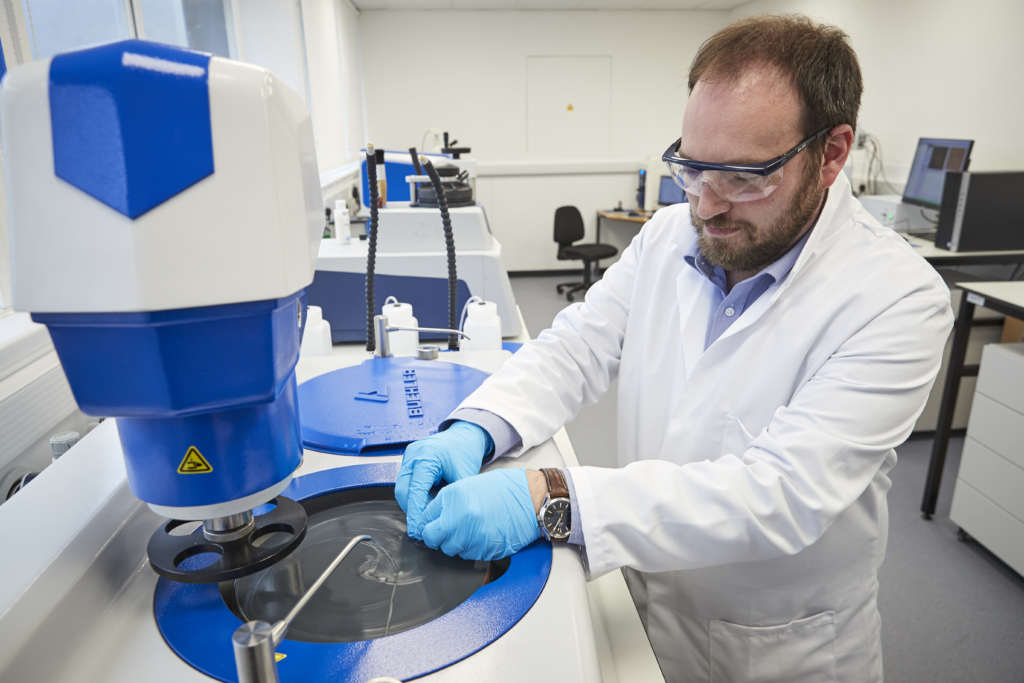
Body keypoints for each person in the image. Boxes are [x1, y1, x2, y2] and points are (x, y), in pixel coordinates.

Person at [395, 14, 952, 683]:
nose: (706, 205)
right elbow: (575, 346)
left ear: (831, 153)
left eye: (745, 176)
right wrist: (476, 427)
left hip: (775, 650)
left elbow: (779, 493)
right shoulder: (667, 236)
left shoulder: (896, 297)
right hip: (643, 605)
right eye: (691, 166)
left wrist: (549, 495)